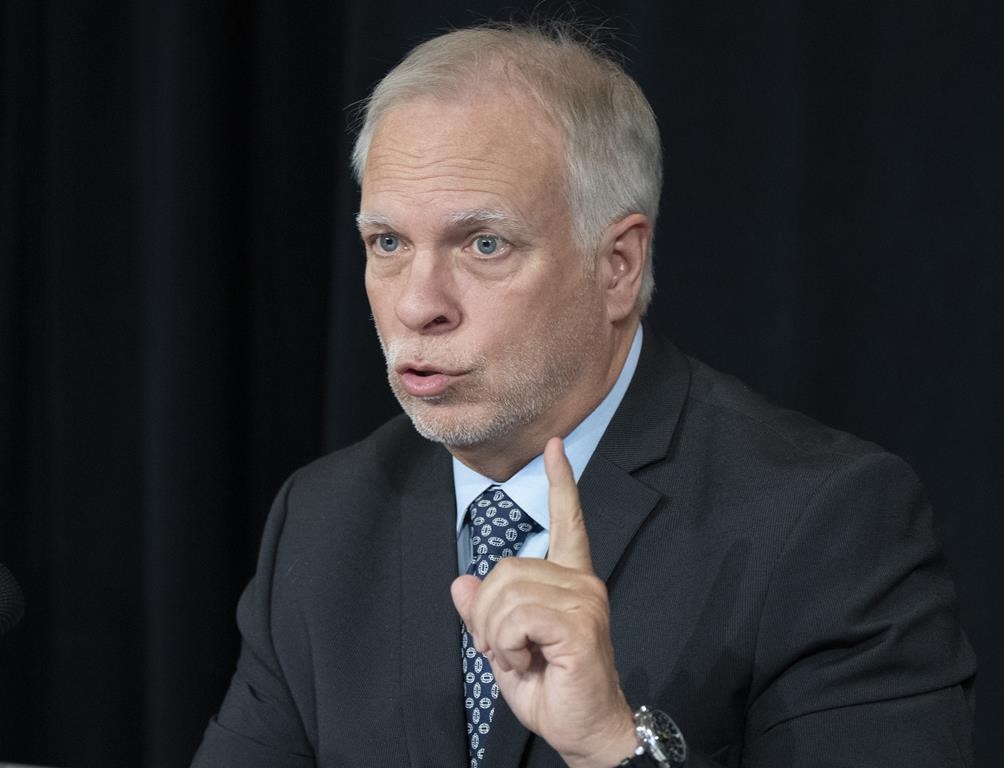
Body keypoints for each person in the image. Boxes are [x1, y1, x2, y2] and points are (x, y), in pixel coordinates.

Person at [192, 22, 975, 768]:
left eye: (484, 244)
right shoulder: (322, 521)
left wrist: (608, 743)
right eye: (388, 242)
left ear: (617, 265)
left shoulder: (823, 522)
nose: (417, 304)